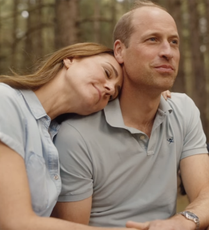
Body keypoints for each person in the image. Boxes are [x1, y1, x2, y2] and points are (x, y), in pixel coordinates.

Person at [52, 1, 209, 230]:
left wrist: (182, 222)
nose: (167, 52)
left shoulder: (183, 110)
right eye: (152, 39)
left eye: (173, 42)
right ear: (119, 50)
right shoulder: (76, 134)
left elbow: (205, 196)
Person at [0, 42, 140, 230]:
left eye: (113, 95)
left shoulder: (59, 138)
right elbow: (15, 223)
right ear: (71, 59)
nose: (110, 89)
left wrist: (156, 96)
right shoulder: (3, 99)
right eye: (107, 72)